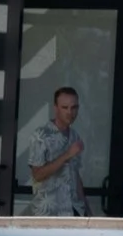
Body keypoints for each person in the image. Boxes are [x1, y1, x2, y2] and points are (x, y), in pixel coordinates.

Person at [23, 86, 89, 217]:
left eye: (74, 107)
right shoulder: (41, 136)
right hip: (49, 214)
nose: (70, 112)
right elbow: (37, 175)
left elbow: (75, 176)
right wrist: (67, 155)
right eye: (65, 107)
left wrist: (87, 211)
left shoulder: (75, 136)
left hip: (74, 210)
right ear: (56, 108)